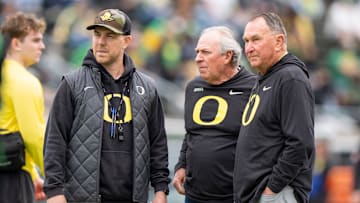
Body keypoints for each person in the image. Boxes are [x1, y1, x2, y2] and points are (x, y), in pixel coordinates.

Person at [43, 9, 170, 203]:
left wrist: (161, 190)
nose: (101, 42)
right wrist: (54, 192)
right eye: (97, 34)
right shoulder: (72, 84)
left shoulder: (147, 88)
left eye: (110, 36)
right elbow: (54, 141)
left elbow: (157, 143)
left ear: (126, 41)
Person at [233, 12, 315, 203]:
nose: (249, 48)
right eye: (246, 41)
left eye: (256, 40)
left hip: (277, 195)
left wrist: (271, 191)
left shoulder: (291, 78)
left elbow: (300, 144)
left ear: (279, 41)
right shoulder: (265, 79)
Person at [172, 26, 256, 203]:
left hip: (235, 196)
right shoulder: (193, 87)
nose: (197, 59)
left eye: (205, 52)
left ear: (227, 56)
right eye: (197, 52)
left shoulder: (254, 89)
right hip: (194, 195)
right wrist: (181, 165)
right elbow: (191, 133)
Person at [0, 12, 46, 202]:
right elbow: (34, 138)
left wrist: (35, 176)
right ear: (16, 43)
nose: (42, 46)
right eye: (35, 40)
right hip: (12, 179)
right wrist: (57, 178)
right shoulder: (25, 81)